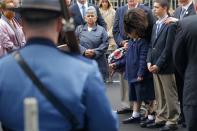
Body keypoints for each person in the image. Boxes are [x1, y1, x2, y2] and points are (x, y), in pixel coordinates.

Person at [0, 0, 118, 130]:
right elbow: (106, 126)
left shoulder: (3, 68)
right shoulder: (85, 70)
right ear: (59, 24)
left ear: (22, 23)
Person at [109, 8, 155, 125]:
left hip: (139, 76)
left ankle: (151, 116)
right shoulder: (131, 42)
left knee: (146, 97)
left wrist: (140, 73)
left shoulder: (143, 43)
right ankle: (136, 114)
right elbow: (127, 59)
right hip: (132, 74)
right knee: (135, 96)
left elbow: (143, 60)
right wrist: (116, 64)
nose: (128, 34)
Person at [146, 0, 180, 131]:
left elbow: (168, 48)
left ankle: (172, 121)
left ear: (165, 8)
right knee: (159, 95)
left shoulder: (171, 24)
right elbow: (151, 45)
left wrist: (158, 64)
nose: (153, 10)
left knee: (170, 94)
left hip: (165, 66)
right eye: (153, 7)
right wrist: (149, 62)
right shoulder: (156, 24)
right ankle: (161, 117)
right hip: (154, 65)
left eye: (156, 7)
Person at [164, 0, 196, 127]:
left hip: (189, 59)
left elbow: (188, 26)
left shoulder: (193, 10)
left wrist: (177, 22)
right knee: (181, 90)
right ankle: (183, 116)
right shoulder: (177, 10)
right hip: (182, 60)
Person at [173, 0, 197, 130]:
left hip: (192, 80)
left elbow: (178, 56)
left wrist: (187, 71)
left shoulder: (187, 23)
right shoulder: (177, 11)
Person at [75, 6, 109, 81]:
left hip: (98, 62)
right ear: (85, 18)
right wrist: (84, 51)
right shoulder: (79, 29)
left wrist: (94, 52)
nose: (90, 17)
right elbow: (74, 42)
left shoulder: (101, 30)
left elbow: (105, 44)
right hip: (83, 61)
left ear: (96, 18)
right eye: (88, 16)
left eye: (92, 15)